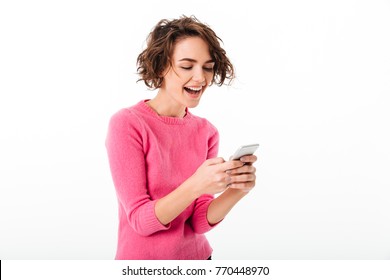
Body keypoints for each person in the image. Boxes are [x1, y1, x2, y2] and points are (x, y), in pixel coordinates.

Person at [105, 15, 257, 260]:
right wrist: (197, 184)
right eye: (187, 66)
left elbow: (198, 222)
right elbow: (140, 221)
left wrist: (237, 191)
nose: (201, 77)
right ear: (161, 66)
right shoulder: (128, 124)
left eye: (207, 67)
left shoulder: (207, 132)